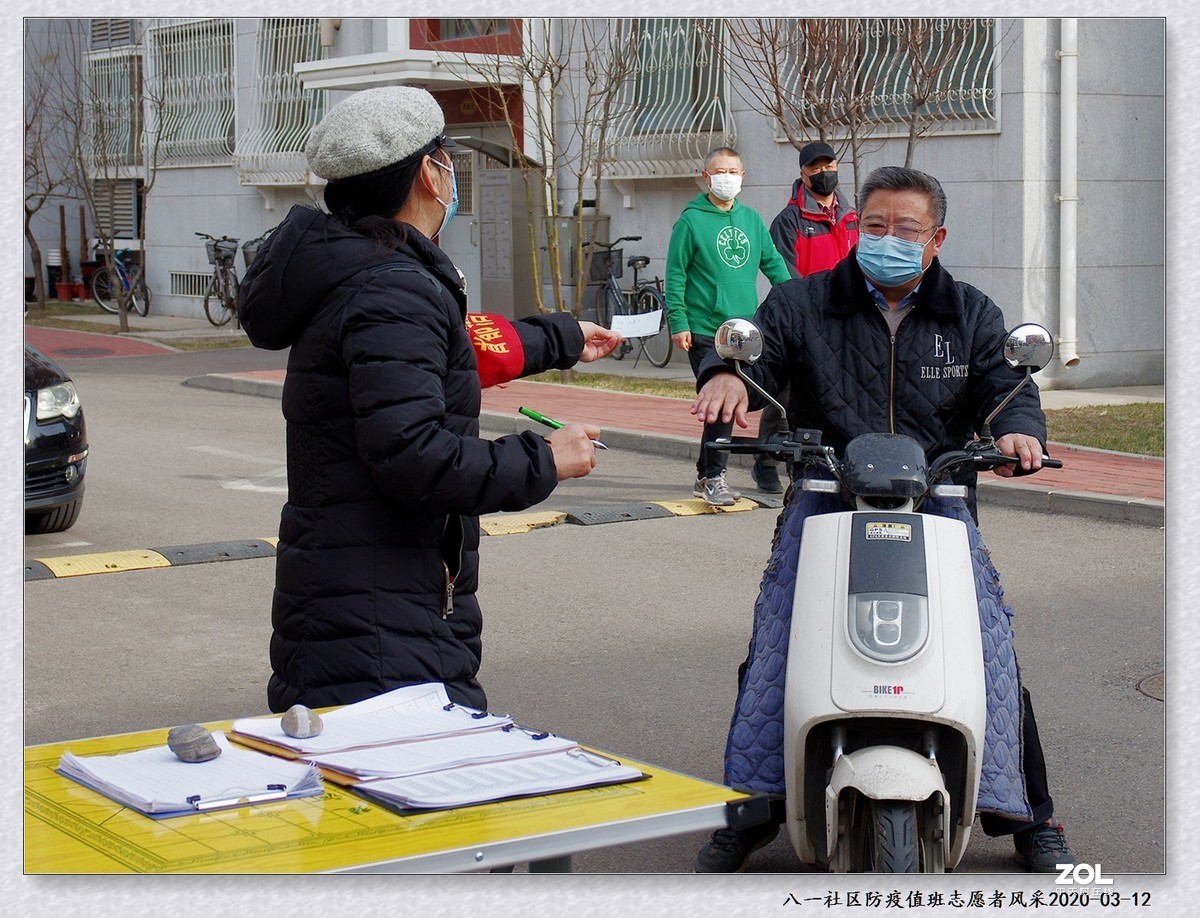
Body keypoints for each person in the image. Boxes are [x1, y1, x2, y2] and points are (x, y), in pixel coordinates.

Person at [689, 165, 1077, 873]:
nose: (888, 239)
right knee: (776, 649)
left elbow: (1005, 389)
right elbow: (752, 359)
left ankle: (1032, 818)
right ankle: (748, 813)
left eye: (906, 229)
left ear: (937, 239)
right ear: (853, 228)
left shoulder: (971, 313)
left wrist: (1021, 431)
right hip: (824, 497)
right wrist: (722, 374)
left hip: (939, 502)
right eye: (874, 226)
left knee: (990, 653)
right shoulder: (803, 303)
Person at [238, 86, 621, 714]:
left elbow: (436, 357)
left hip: (361, 601)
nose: (451, 176)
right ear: (427, 173)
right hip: (382, 619)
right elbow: (414, 455)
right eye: (446, 160)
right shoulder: (394, 288)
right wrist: (544, 458)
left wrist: (561, 336)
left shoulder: (362, 272)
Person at [665, 147, 792, 506]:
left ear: (743, 176)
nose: (727, 178)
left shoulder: (752, 219)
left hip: (744, 331)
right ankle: (713, 477)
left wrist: (797, 302)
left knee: (731, 399)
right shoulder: (690, 222)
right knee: (722, 401)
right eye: (720, 171)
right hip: (705, 329)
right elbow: (675, 276)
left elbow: (775, 266)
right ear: (705, 177)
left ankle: (706, 473)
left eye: (733, 171)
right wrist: (679, 321)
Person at [752, 141, 861, 494]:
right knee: (785, 392)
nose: (823, 173)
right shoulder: (789, 220)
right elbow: (784, 270)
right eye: (815, 168)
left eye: (828, 165)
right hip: (804, 315)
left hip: (848, 313)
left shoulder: (852, 217)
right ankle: (766, 458)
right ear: (803, 174)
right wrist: (807, 306)